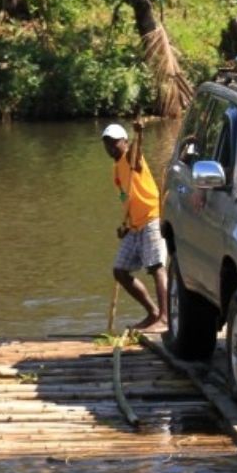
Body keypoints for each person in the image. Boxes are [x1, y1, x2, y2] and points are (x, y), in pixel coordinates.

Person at [101, 121, 168, 333]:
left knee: (156, 266)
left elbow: (137, 152)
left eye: (114, 143)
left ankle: (165, 318)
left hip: (152, 217)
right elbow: (125, 198)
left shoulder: (131, 158)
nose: (110, 147)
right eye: (107, 144)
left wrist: (140, 135)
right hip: (134, 224)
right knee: (120, 271)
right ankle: (153, 312)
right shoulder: (117, 171)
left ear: (125, 142)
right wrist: (125, 225)